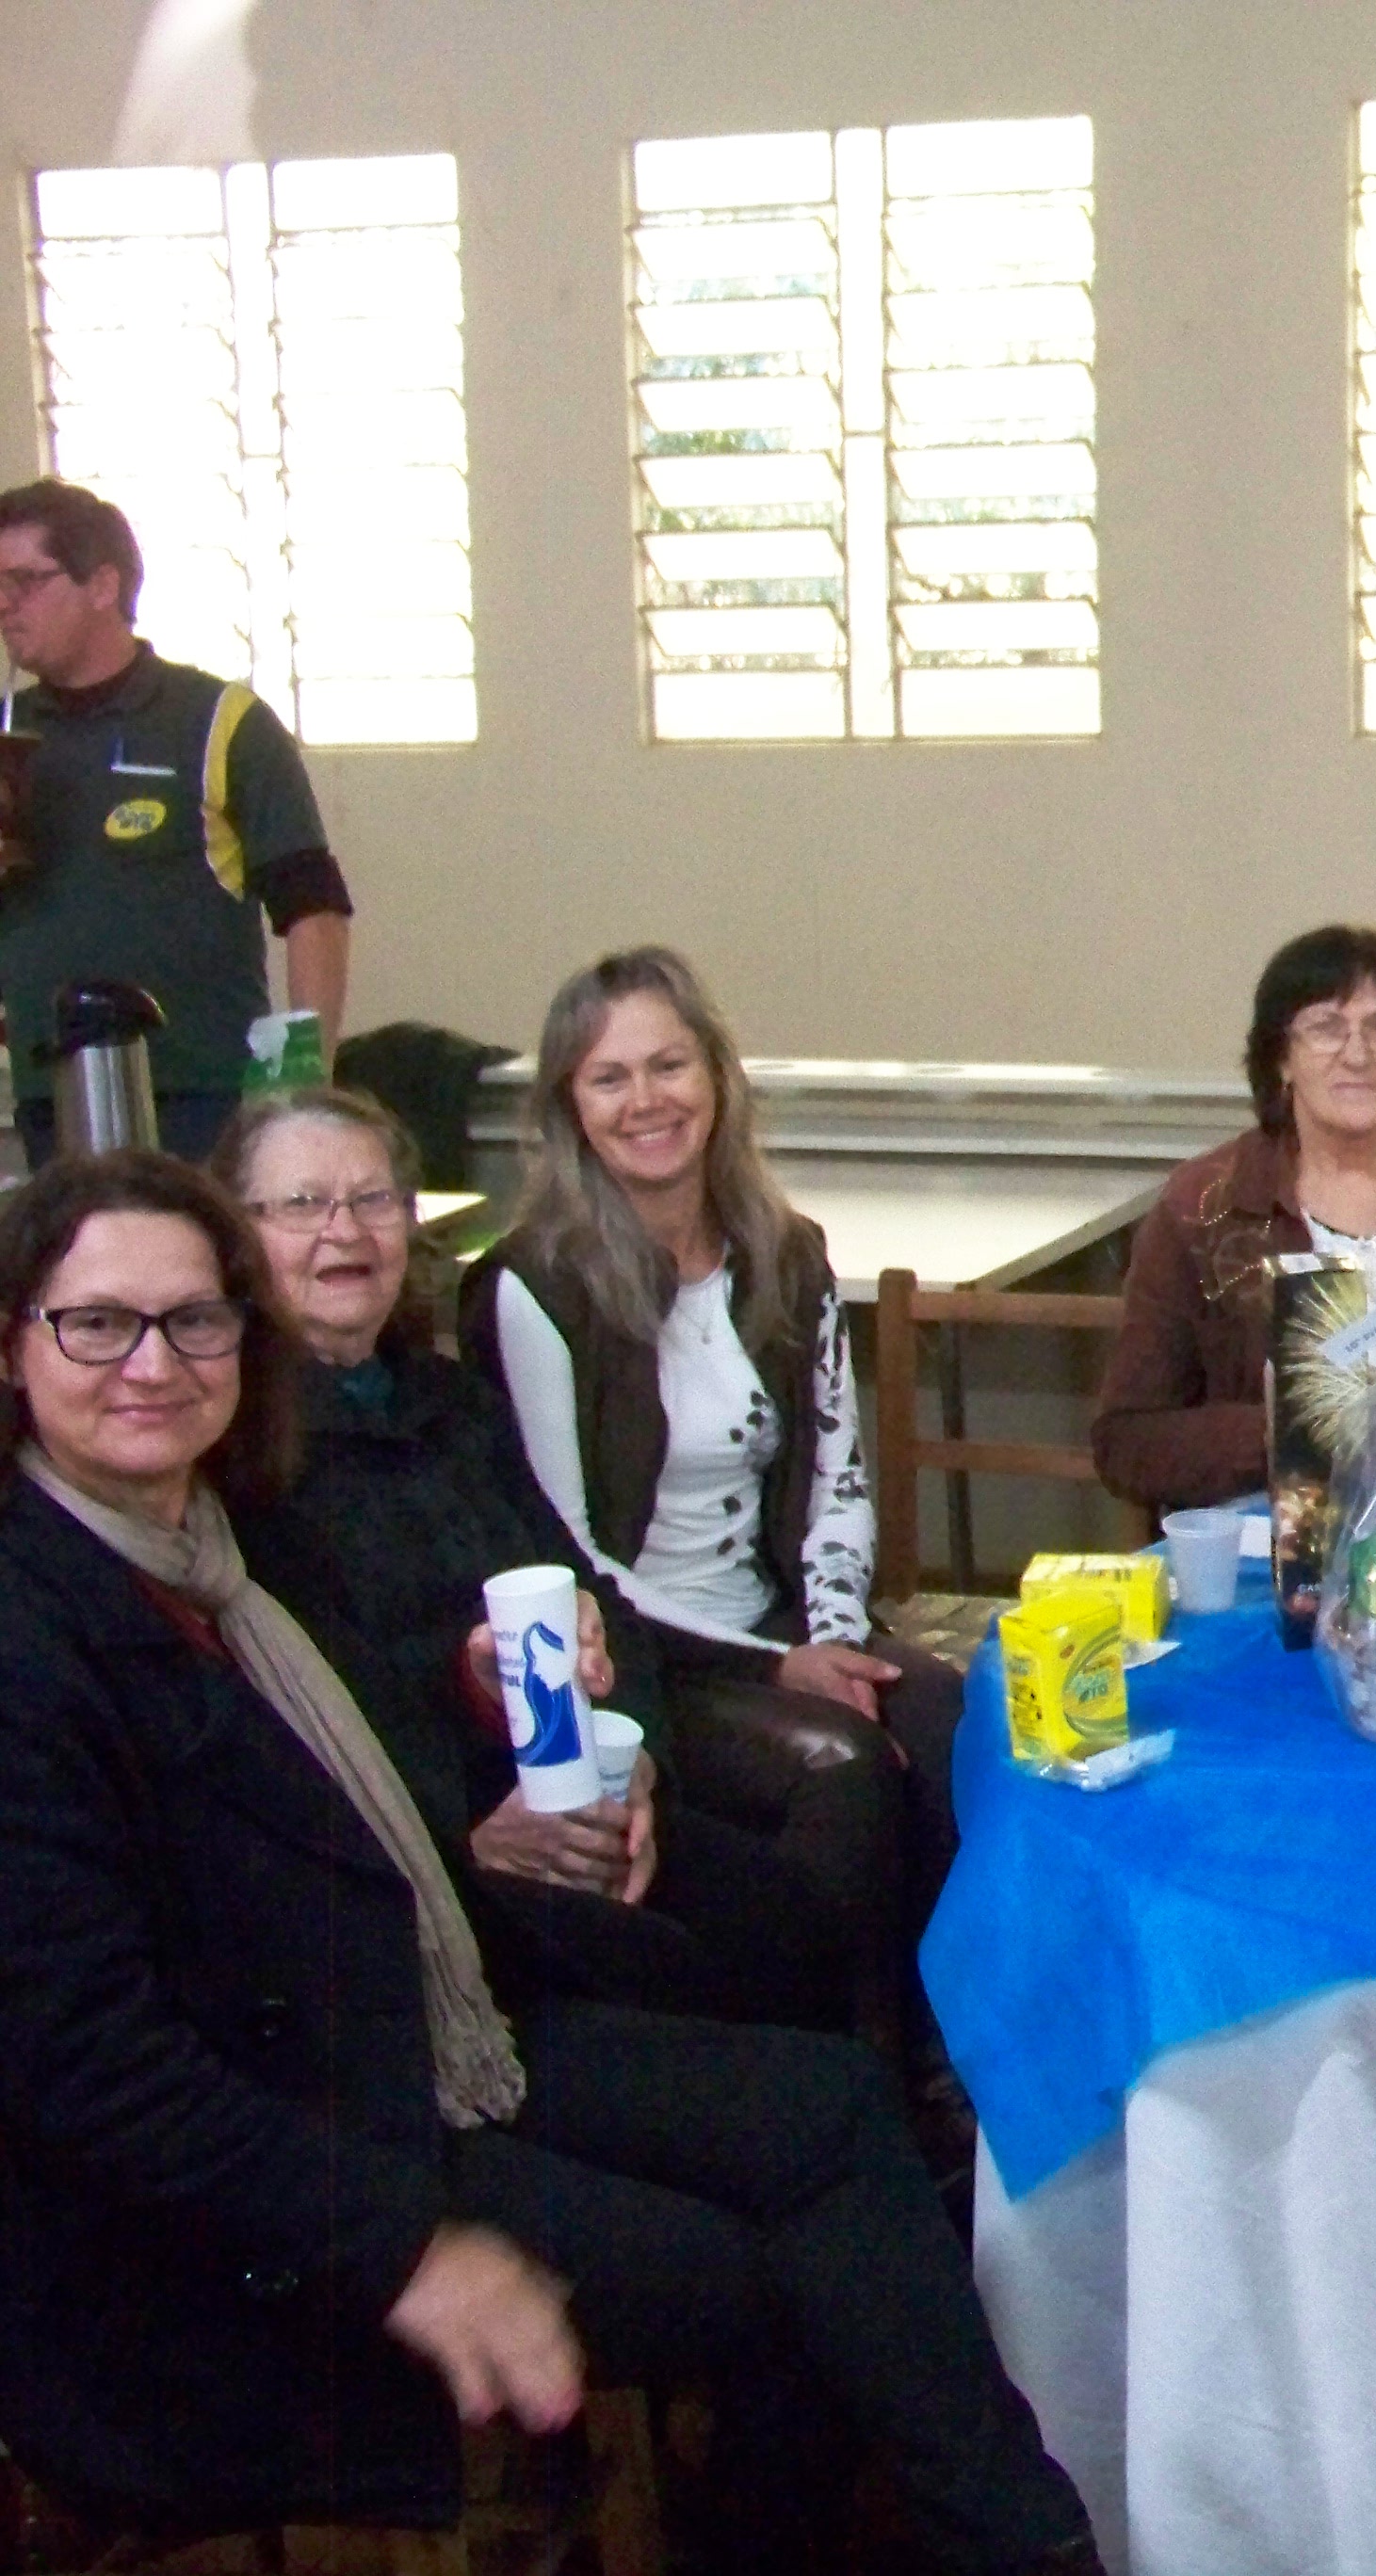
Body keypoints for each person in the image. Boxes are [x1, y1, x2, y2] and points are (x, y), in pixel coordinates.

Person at [0, 1151, 1095, 2573]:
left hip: (399, 2042)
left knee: (831, 2105)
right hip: (230, 2212)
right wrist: (406, 2247)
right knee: (774, 2277)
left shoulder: (225, 1549)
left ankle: (1025, 2544)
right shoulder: (36, 1631)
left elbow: (353, 1792)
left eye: (194, 1319)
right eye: (97, 1323)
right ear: (15, 1346)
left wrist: (481, 1705)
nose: (153, 1364)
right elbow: (88, 2069)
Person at [217, 1087, 844, 2032]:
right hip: (428, 1855)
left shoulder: (451, 1404)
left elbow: (593, 1595)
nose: (344, 1231)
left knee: (793, 1921)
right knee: (687, 1982)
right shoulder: (240, 1452)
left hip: (572, 1792)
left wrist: (637, 1769)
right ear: (239, 1236)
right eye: (303, 1205)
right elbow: (306, 1708)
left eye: (375, 1200)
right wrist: (472, 1837)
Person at [457, 949, 951, 2092]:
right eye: (609, 1077)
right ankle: (842, 2073)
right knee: (839, 1767)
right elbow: (570, 1553)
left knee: (948, 1715)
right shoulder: (533, 1286)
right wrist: (780, 1670)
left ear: (718, 1077)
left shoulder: (787, 1251)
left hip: (785, 1624)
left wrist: (833, 1639)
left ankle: (955, 2060)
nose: (647, 1100)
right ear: (570, 1109)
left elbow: (836, 1476)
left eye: (669, 1065)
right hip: (646, 1659)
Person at [1093, 924, 1376, 1516]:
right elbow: (1127, 1443)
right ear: (1282, 1056)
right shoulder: (1204, 1210)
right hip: (1272, 1542)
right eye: (1326, 1028)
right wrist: (1297, 1429)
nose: (1358, 1054)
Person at [0, 478, 350, 1169]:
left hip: (202, 1091)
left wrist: (305, 1079)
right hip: (52, 1091)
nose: (6, 604)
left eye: (26, 581)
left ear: (103, 585)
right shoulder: (10, 735)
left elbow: (313, 907)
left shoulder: (218, 721)